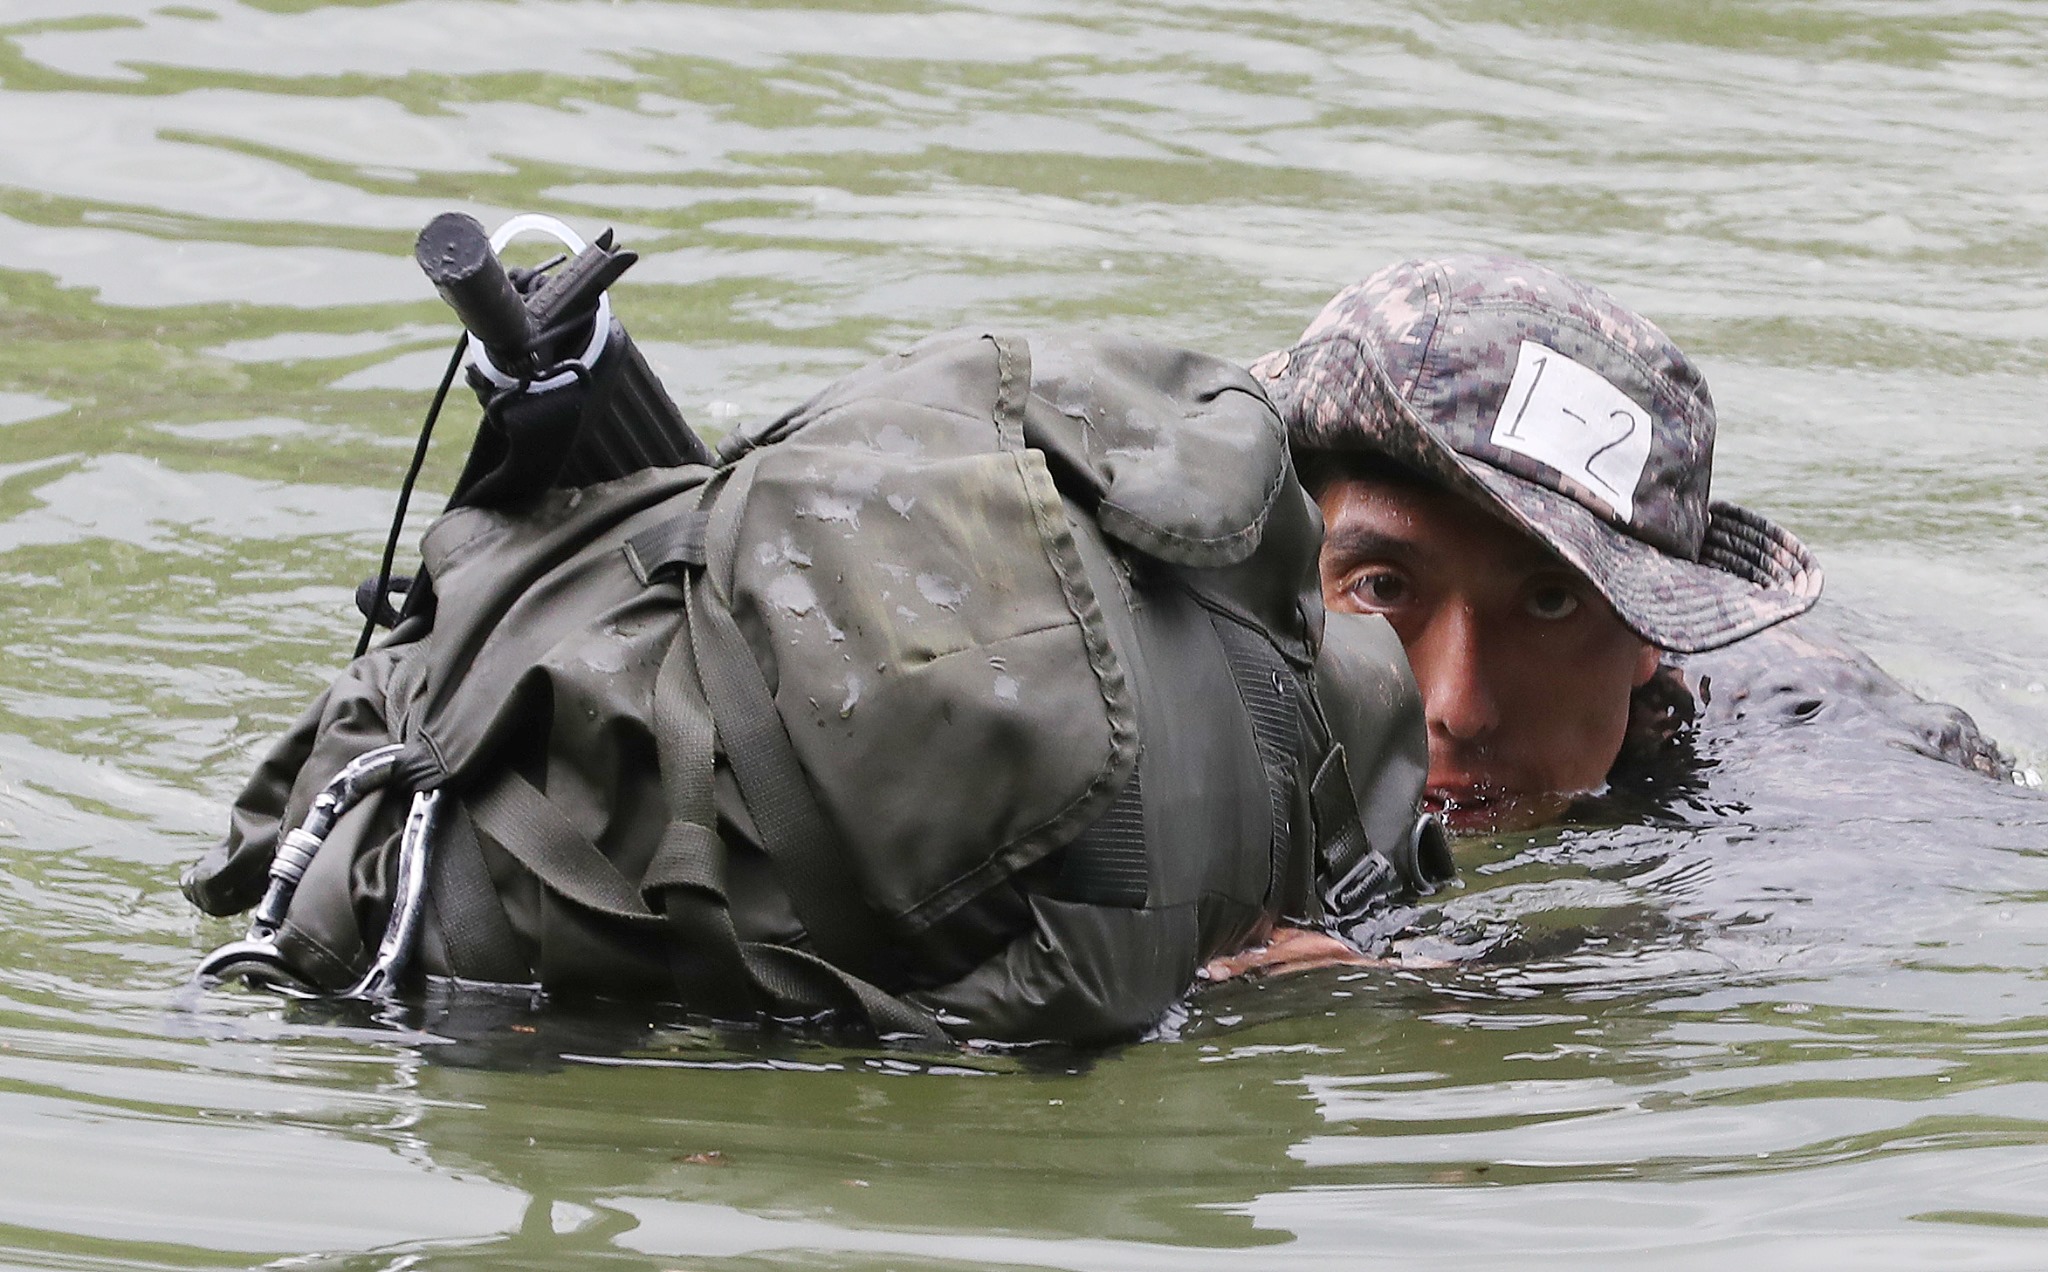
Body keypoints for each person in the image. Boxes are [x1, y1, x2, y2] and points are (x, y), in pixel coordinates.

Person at [1202, 254, 2008, 980]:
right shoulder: (1194, 691)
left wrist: (1441, 974)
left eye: (1551, 601)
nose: (1459, 708)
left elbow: (1907, 893)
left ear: (1651, 636)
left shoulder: (1816, 763)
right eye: (1382, 588)